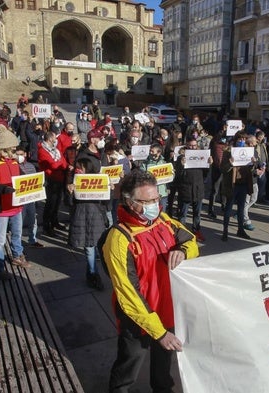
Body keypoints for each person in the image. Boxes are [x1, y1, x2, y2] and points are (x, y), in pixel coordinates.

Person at [101, 170, 199, 393]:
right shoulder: (118, 239)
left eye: (156, 199)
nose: (155, 205)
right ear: (129, 202)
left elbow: (191, 241)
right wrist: (159, 332)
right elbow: (128, 293)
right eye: (147, 201)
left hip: (167, 309)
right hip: (137, 318)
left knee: (163, 363)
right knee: (129, 363)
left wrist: (183, 251)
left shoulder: (163, 220)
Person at [0, 128, 31, 281]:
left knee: (17, 234)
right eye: (11, 149)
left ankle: (17, 255)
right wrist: (5, 189)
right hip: (1, 207)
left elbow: (20, 176)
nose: (14, 151)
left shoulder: (13, 161)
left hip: (16, 205)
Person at [67, 157, 109, 290]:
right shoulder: (73, 182)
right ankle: (93, 275)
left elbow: (106, 203)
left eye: (81, 167)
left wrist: (110, 189)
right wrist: (69, 192)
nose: (78, 170)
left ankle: (91, 273)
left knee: (95, 247)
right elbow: (69, 204)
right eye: (77, 167)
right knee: (89, 249)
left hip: (96, 218)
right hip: (81, 220)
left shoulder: (98, 180)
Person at [173, 137, 211, 242]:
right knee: (182, 215)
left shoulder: (201, 156)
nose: (192, 147)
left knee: (197, 214)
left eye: (194, 145)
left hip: (198, 190)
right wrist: (181, 165)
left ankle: (196, 231)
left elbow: (205, 174)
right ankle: (181, 235)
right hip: (185, 191)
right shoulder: (181, 157)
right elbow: (178, 176)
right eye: (190, 145)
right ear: (186, 146)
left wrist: (208, 164)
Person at [220, 131, 253, 241]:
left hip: (243, 184)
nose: (242, 141)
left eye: (244, 139)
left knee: (241, 209)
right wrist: (230, 163)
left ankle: (240, 230)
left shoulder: (248, 151)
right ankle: (225, 231)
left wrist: (254, 163)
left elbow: (250, 169)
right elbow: (223, 169)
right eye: (240, 139)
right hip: (232, 185)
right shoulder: (228, 151)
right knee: (228, 209)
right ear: (235, 140)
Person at [38, 131, 69, 237]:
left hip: (60, 178)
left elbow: (62, 162)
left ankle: (54, 222)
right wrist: (59, 163)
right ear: (50, 139)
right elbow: (53, 165)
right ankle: (47, 227)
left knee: (57, 203)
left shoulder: (55, 150)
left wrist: (60, 163)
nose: (56, 139)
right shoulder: (43, 151)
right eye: (55, 138)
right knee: (50, 204)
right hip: (50, 179)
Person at [15, 146, 44, 248]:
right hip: (20, 200)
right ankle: (17, 243)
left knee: (33, 220)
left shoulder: (31, 166)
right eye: (17, 155)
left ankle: (32, 239)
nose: (19, 157)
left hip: (30, 199)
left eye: (21, 154)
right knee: (18, 223)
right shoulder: (13, 166)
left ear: (25, 154)